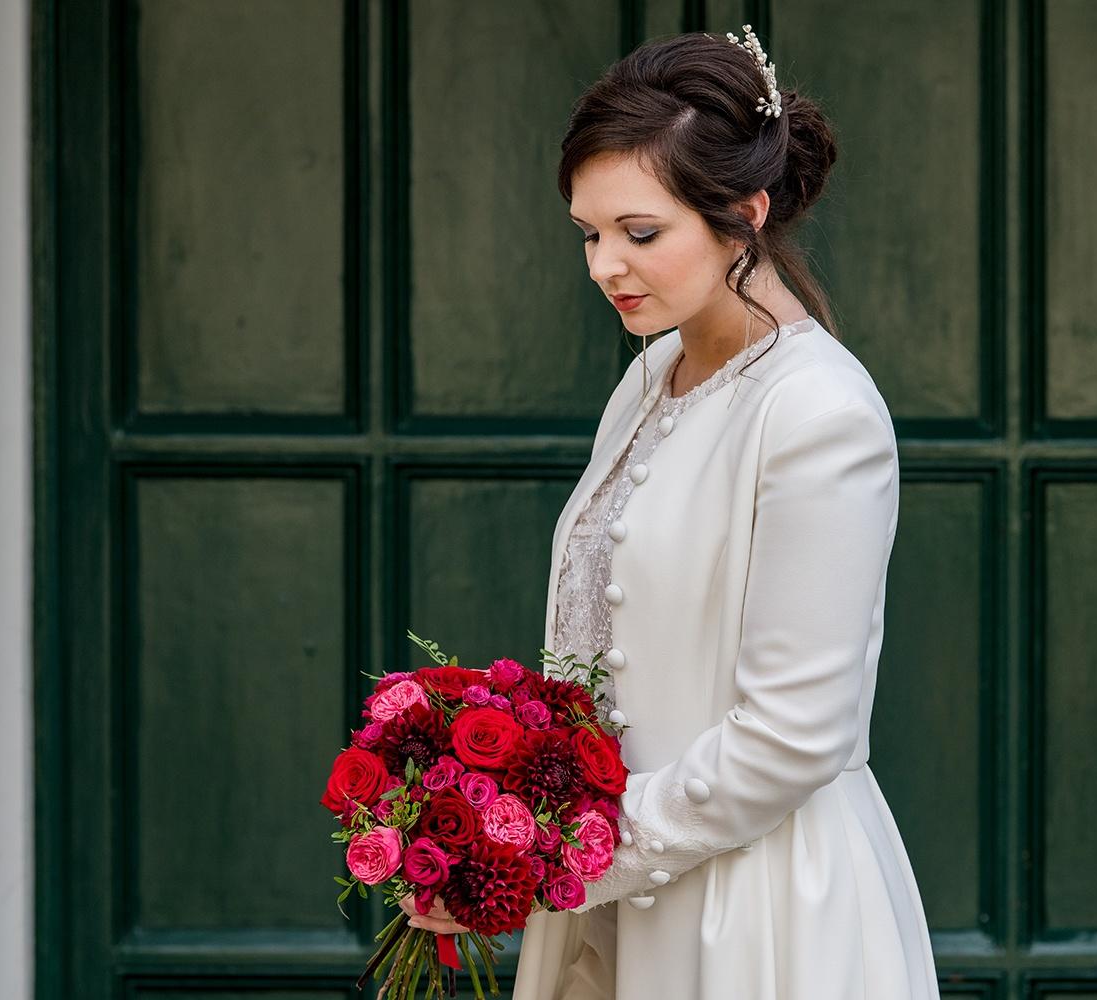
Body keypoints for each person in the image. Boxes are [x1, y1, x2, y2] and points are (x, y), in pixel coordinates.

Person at [399, 26, 938, 999]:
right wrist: (496, 814)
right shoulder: (651, 376)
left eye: (639, 233)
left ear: (744, 211)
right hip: (611, 902)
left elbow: (793, 735)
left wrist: (551, 856)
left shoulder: (818, 412)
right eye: (589, 234)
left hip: (755, 912)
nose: (606, 265)